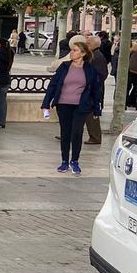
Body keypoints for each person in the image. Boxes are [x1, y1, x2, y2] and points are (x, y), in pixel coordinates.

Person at [42, 42, 102, 176]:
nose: (72, 53)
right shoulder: (64, 67)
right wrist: (46, 103)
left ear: (83, 53)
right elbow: (53, 86)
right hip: (63, 105)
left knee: (77, 132)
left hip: (81, 106)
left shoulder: (90, 69)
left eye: (75, 50)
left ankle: (74, 161)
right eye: (71, 50)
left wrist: (97, 110)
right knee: (65, 133)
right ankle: (64, 161)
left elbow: (97, 90)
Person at [84, 34, 109, 145]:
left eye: (88, 43)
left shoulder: (97, 56)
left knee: (91, 114)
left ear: (94, 45)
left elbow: (101, 74)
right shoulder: (93, 55)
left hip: (92, 90)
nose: (86, 45)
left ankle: (95, 137)